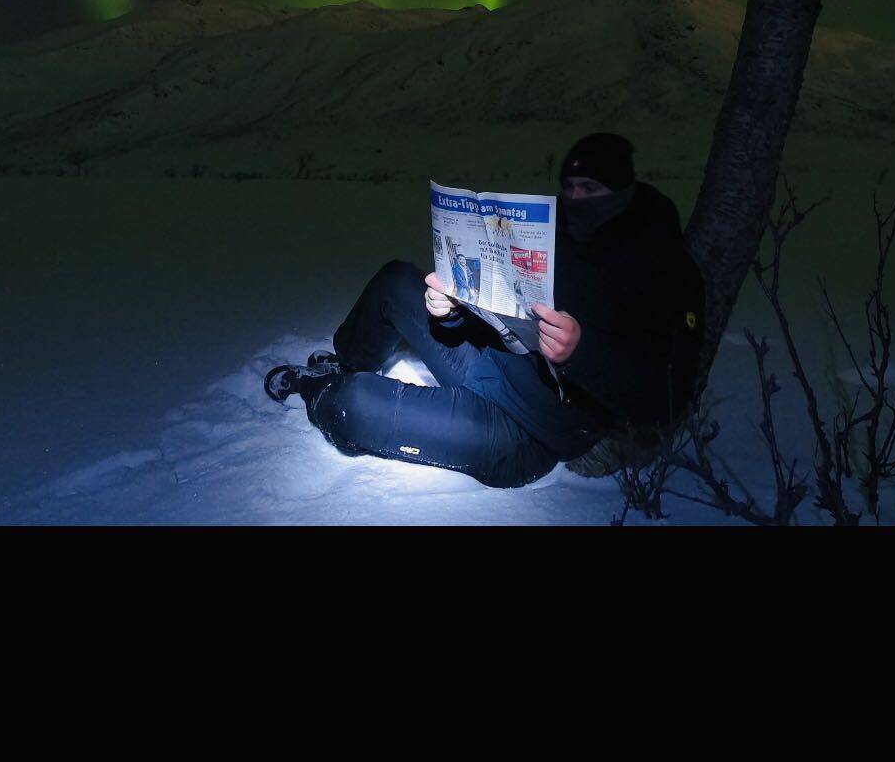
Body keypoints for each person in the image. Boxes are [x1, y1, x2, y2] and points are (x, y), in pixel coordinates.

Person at [263, 132, 706, 492]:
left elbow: (661, 399)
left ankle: (320, 390)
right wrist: (451, 313)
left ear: (622, 191)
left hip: (528, 432)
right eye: (569, 187)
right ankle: (346, 363)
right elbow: (505, 314)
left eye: (590, 189)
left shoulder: (662, 267)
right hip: (493, 364)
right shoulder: (559, 233)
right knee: (397, 281)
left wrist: (579, 353)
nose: (576, 198)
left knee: (354, 405)